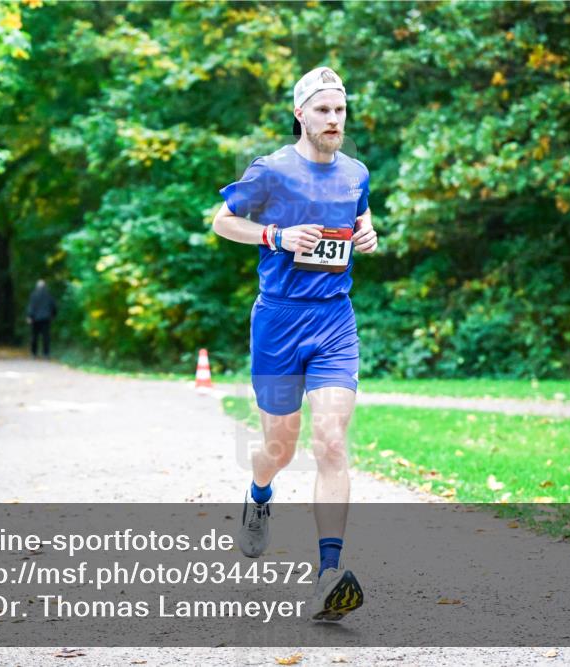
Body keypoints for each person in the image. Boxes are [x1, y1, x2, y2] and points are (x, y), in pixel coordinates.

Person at [212, 66, 378, 622]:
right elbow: (221, 221)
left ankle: (329, 573)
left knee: (330, 440)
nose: (334, 120)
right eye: (324, 110)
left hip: (335, 320)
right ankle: (260, 492)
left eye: (341, 111)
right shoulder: (272, 171)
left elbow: (359, 213)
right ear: (300, 114)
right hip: (278, 322)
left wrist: (368, 232)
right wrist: (274, 236)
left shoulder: (356, 172)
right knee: (278, 449)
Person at [26, 279, 57, 358]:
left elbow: (31, 307)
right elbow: (53, 306)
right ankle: (46, 354)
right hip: (46, 318)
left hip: (35, 319)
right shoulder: (48, 295)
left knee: (34, 337)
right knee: (46, 337)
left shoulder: (34, 295)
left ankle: (34, 353)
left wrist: (29, 316)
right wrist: (53, 315)